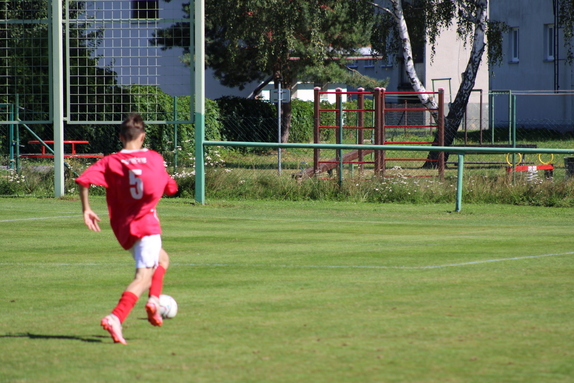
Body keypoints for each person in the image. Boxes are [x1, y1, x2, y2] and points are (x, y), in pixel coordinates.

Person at [75, 113, 178, 345]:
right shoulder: (153, 158)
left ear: (121, 137)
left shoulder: (110, 161)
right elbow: (171, 188)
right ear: (142, 136)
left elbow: (83, 180)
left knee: (162, 260)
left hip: (123, 227)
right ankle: (117, 316)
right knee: (142, 277)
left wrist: (86, 209)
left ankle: (154, 299)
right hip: (147, 224)